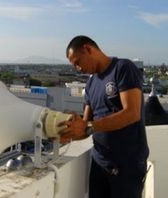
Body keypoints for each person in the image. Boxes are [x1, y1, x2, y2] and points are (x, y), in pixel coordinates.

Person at [59, 35, 149, 198]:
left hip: (126, 165)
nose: (78, 69)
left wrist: (88, 126)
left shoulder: (122, 68)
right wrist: (70, 132)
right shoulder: (91, 84)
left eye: (78, 62)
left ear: (88, 49)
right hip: (100, 163)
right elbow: (86, 125)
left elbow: (132, 113)